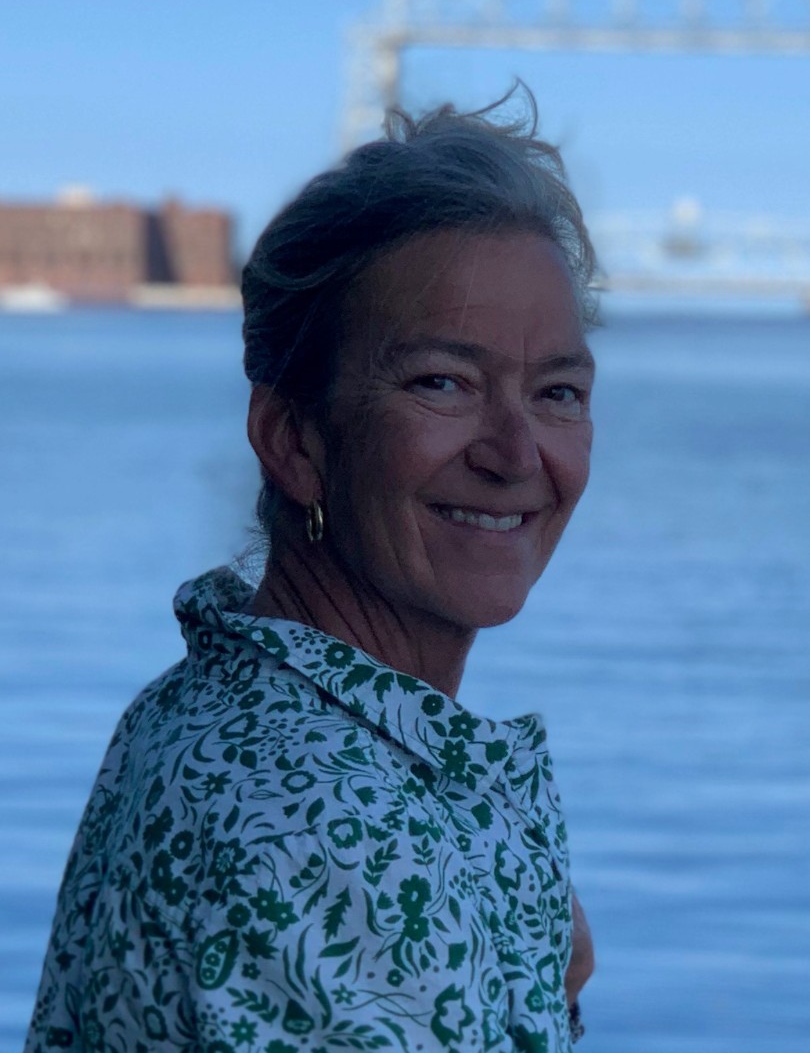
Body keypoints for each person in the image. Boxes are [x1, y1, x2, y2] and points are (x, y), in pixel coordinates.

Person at [26, 86, 598, 1053]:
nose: (516, 454)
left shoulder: (200, 710)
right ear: (293, 439)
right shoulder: (339, 839)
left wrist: (548, 986)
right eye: (443, 382)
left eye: (559, 392)